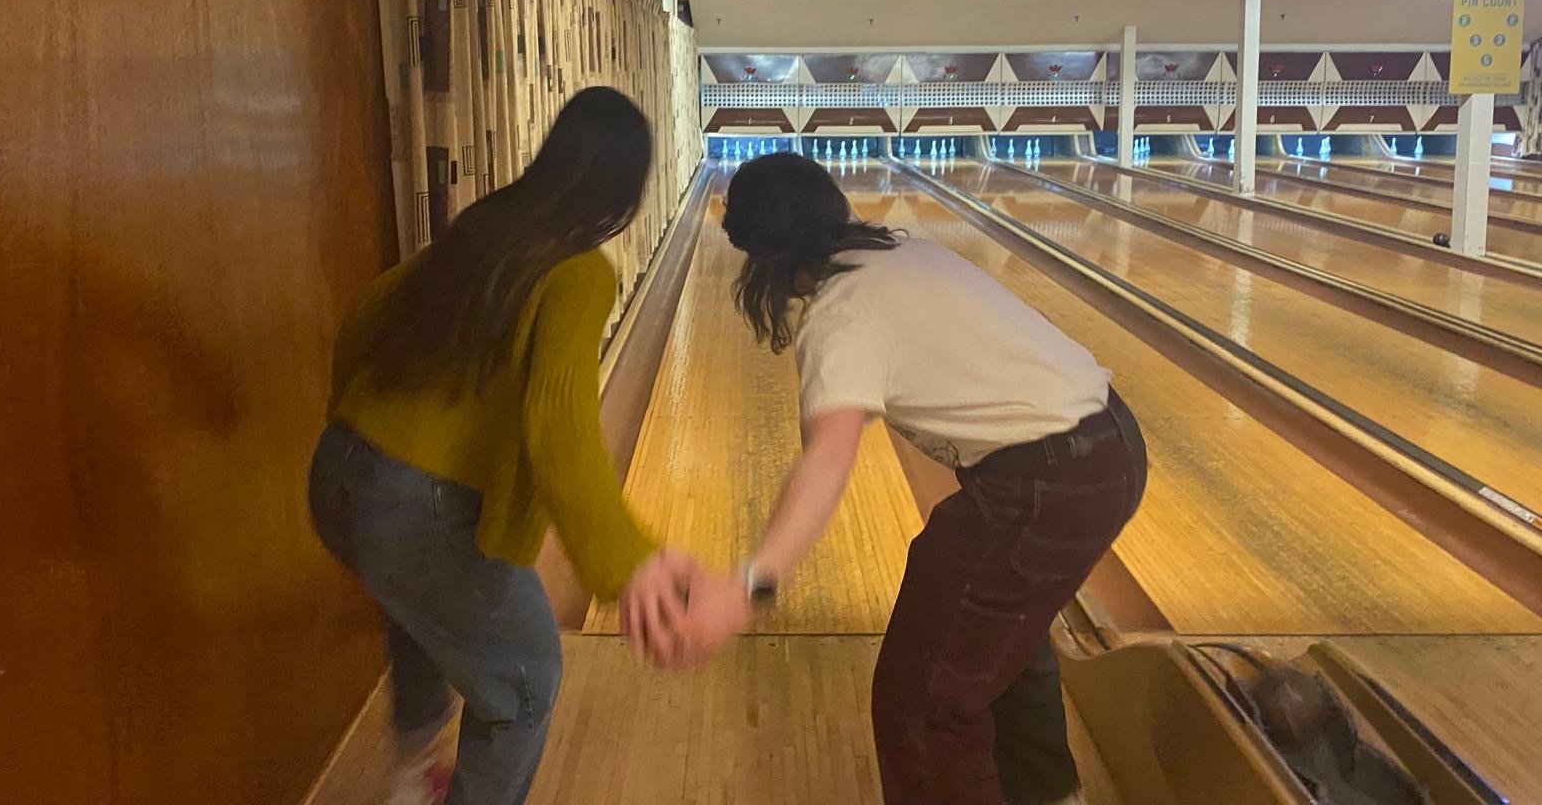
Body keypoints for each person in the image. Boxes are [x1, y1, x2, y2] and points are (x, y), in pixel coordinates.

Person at [677, 152, 1149, 805]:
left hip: (1048, 484)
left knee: (923, 701)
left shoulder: (841, 313)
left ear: (762, 255)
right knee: (997, 649)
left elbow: (828, 460)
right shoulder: (905, 253)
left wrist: (751, 583)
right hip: (1114, 449)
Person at [307, 87, 700, 805]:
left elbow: (363, 318)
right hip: (414, 510)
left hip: (338, 474)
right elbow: (561, 426)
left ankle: (409, 778)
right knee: (526, 682)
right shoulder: (579, 272)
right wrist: (626, 562)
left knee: (421, 615)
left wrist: (357, 437)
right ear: (625, 188)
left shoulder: (482, 231)